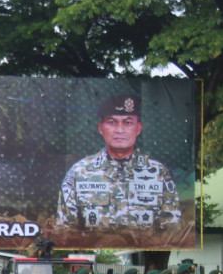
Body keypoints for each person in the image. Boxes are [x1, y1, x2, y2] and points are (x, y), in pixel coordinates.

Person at [58, 94, 181, 232]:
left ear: (138, 128)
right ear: (100, 128)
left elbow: (171, 230)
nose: (120, 130)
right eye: (112, 122)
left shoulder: (158, 173)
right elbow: (66, 229)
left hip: (142, 250)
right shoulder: (79, 172)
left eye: (128, 122)